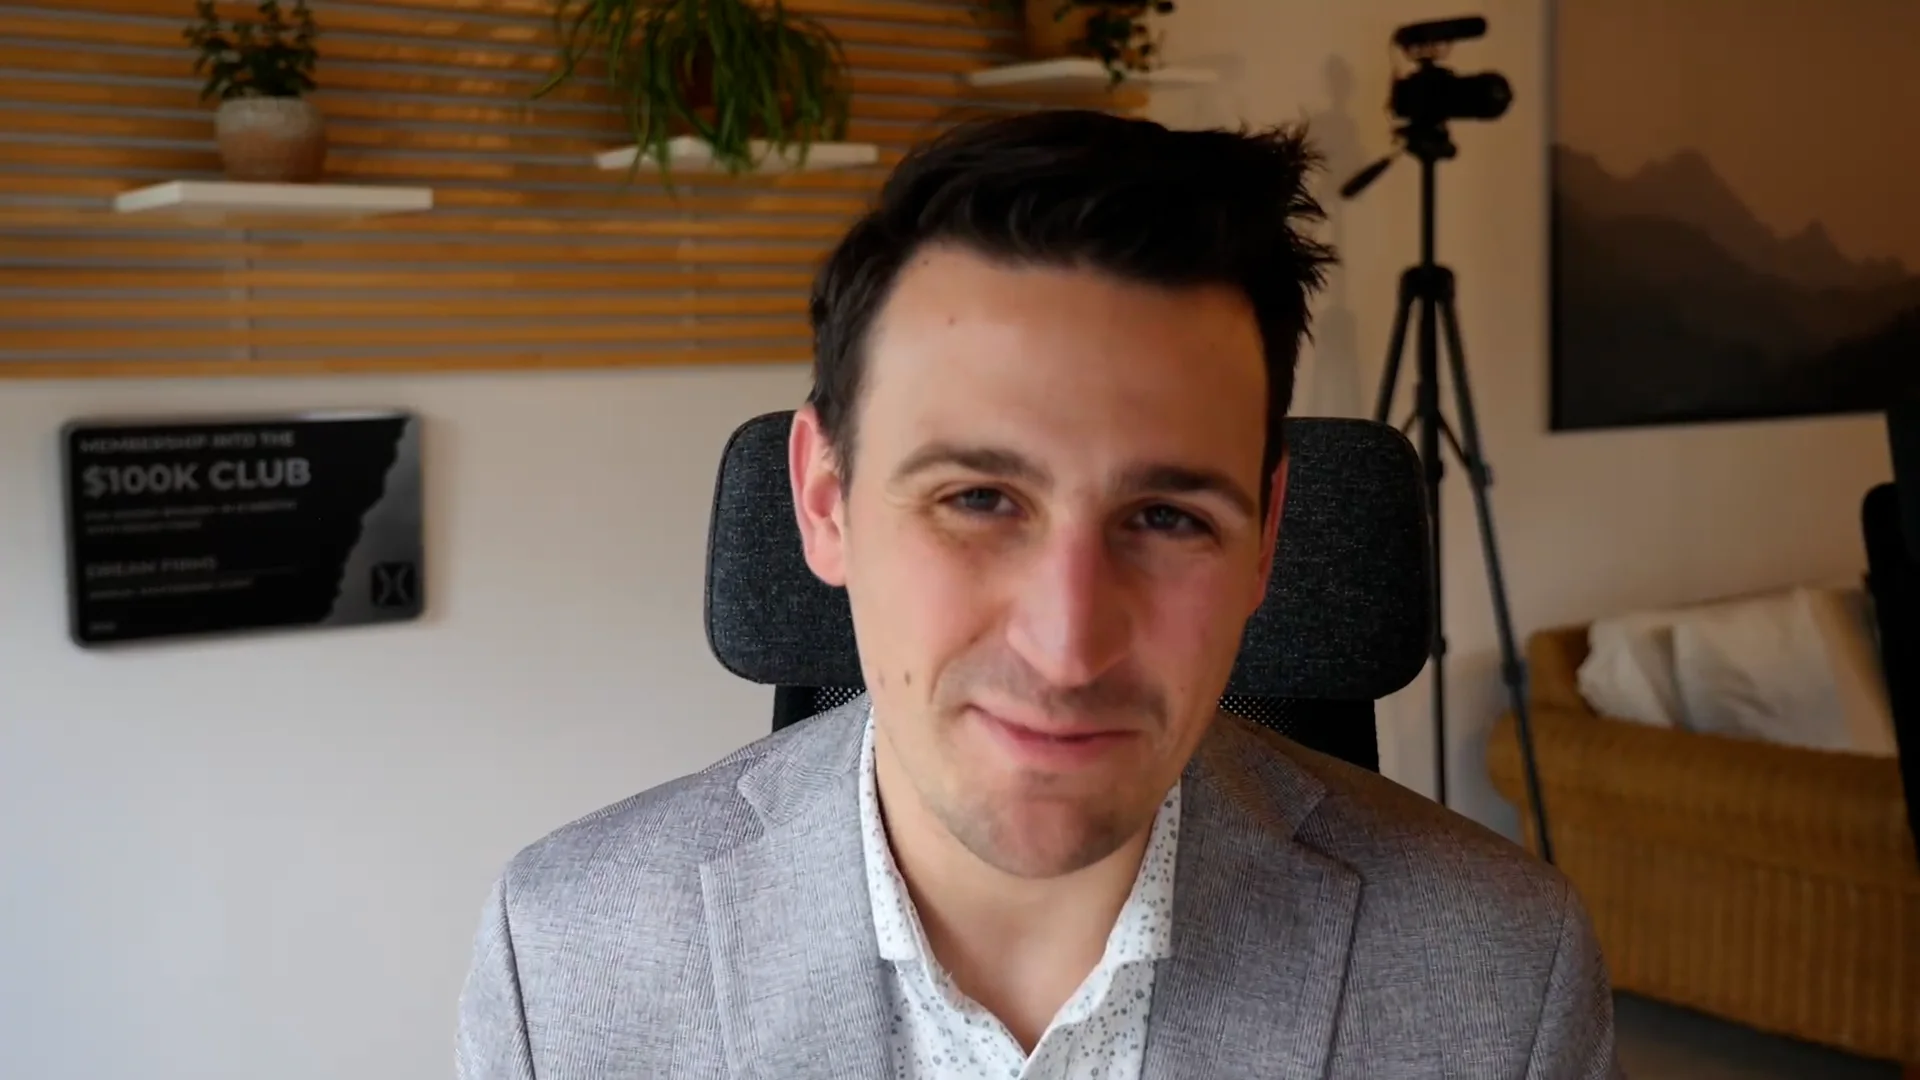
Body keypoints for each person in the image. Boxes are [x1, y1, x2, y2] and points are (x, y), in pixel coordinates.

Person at [455, 109, 1619, 1079]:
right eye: (978, 500)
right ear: (824, 499)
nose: (1068, 647)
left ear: (1267, 539)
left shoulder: (1503, 979)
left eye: (1168, 518)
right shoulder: (568, 962)